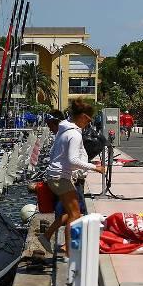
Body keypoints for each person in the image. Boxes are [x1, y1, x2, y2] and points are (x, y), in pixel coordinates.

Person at [40, 99, 105, 258]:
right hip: (60, 177)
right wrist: (94, 167)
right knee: (75, 214)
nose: (88, 123)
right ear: (82, 116)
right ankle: (71, 253)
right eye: (88, 120)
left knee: (71, 212)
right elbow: (72, 160)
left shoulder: (63, 130)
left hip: (56, 176)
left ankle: (46, 236)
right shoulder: (74, 133)